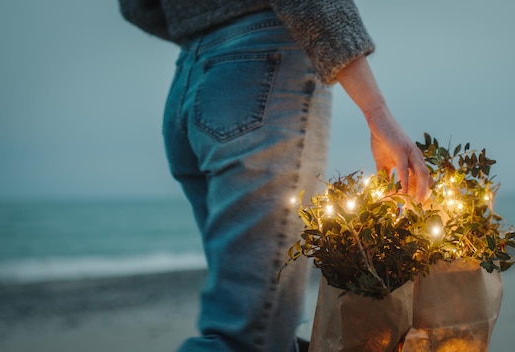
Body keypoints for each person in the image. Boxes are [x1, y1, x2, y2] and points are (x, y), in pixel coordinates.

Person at [119, 1, 431, 351]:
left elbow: (136, 7)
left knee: (264, 328)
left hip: (192, 81)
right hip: (261, 69)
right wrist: (376, 111)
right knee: (249, 338)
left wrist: (207, 23)